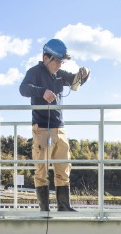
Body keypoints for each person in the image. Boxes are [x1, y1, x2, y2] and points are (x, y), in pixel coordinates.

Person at [19, 38, 90, 212]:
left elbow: (74, 82)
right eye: (57, 61)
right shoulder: (34, 72)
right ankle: (44, 208)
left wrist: (83, 75)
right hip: (42, 128)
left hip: (60, 128)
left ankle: (64, 206)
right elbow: (23, 89)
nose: (59, 64)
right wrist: (41, 91)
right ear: (46, 58)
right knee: (41, 170)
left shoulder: (59, 74)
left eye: (61, 61)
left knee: (63, 168)